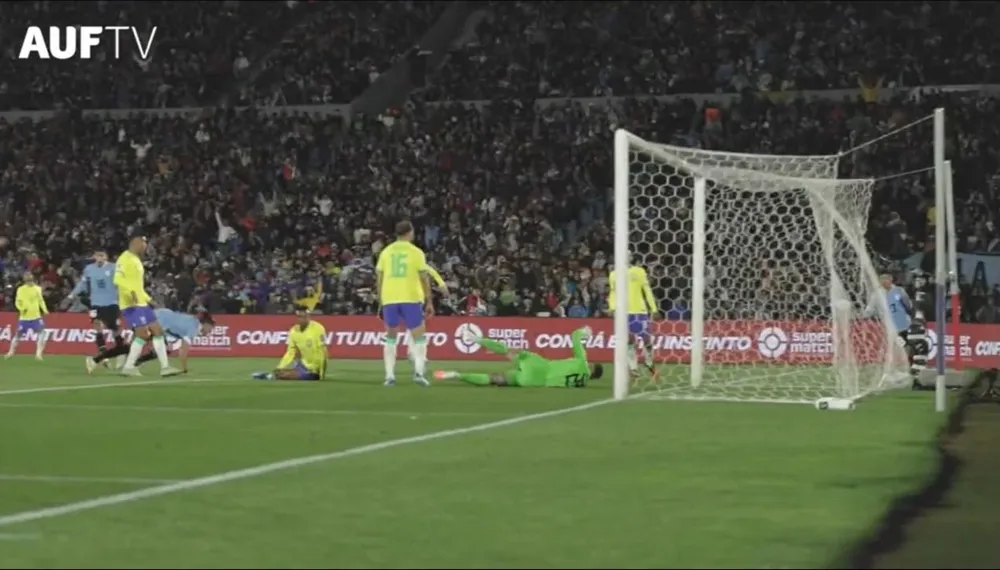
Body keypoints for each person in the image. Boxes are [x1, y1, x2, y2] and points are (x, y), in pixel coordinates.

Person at [434, 326, 604, 388]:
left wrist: (585, 331)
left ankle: (476, 339)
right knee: (494, 379)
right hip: (535, 383)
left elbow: (575, 335)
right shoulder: (582, 383)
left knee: (511, 351)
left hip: (542, 366)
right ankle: (457, 375)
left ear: (591, 367)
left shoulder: (583, 361)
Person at [375, 220, 433, 387]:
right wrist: (429, 300)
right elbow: (424, 277)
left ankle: (390, 376)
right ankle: (419, 373)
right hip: (410, 297)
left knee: (391, 337)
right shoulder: (416, 252)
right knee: (419, 336)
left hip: (390, 298)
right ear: (410, 232)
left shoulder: (386, 252)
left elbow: (379, 278)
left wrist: (381, 300)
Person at [114, 234, 181, 377]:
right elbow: (118, 279)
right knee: (143, 334)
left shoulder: (136, 260)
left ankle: (165, 367)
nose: (145, 246)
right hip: (131, 303)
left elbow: (138, 286)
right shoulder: (124, 258)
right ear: (135, 243)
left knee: (158, 331)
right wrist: (130, 292)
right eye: (143, 243)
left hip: (141, 302)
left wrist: (149, 300)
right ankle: (129, 366)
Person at [90, 309, 215, 374]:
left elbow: (174, 329)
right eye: (210, 328)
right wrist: (184, 369)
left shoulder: (190, 323)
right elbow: (183, 350)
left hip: (157, 318)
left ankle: (131, 363)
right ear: (205, 324)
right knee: (139, 346)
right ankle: (98, 359)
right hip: (155, 320)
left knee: (157, 348)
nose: (209, 331)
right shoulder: (193, 327)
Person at [67, 250, 127, 368]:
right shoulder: (89, 269)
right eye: (97, 255)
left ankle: (121, 352)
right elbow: (82, 284)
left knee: (114, 328)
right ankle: (103, 352)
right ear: (94, 257)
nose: (100, 257)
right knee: (96, 324)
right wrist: (71, 295)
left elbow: (122, 282)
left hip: (111, 302)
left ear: (106, 257)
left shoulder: (113, 268)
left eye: (102, 255)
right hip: (95, 302)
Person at [608, 258, 658, 374]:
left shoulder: (639, 271)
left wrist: (654, 308)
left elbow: (647, 289)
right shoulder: (613, 274)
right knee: (629, 339)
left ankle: (649, 361)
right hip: (623, 312)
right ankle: (633, 367)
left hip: (640, 310)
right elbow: (613, 292)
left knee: (646, 338)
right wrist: (611, 307)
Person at [251, 307, 327, 381]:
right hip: (303, 364)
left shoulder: (318, 328)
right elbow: (291, 352)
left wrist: (321, 372)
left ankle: (271, 377)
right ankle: (275, 375)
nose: (302, 319)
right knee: (282, 372)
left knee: (291, 375)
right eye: (300, 317)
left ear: (309, 317)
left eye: (305, 317)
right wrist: (280, 366)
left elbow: (323, 351)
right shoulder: (294, 331)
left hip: (314, 368)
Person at [6, 272, 49, 360]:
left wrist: (45, 310)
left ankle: (38, 354)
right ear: (25, 280)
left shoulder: (37, 289)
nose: (29, 281)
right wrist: (21, 309)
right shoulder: (20, 289)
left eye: (30, 278)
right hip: (24, 317)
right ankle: (11, 352)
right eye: (27, 279)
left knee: (42, 333)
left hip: (36, 317)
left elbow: (41, 300)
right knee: (18, 335)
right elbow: (17, 302)